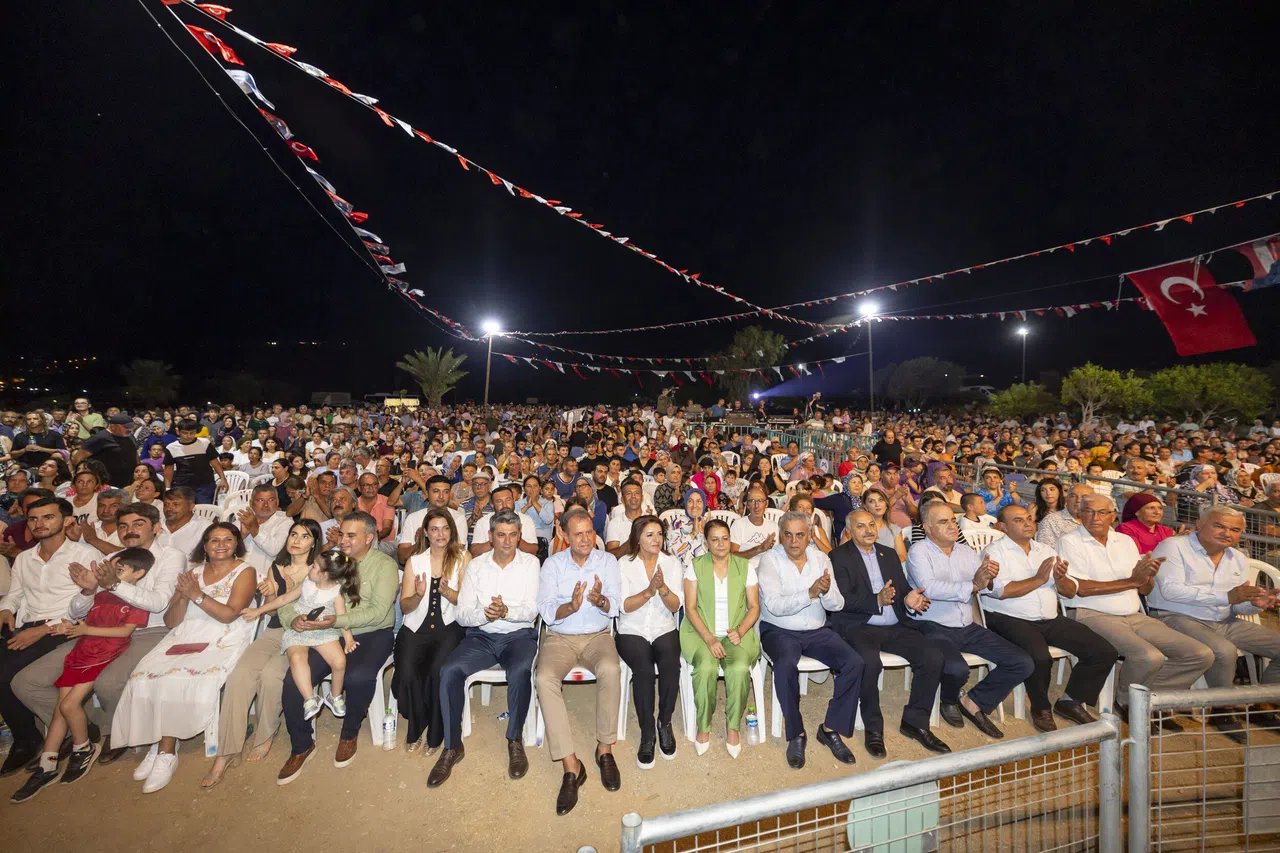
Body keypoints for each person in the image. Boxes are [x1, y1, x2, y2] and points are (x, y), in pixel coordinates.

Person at [110, 523, 256, 792]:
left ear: (237, 543)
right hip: (186, 634)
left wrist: (197, 596)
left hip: (223, 634)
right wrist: (183, 597)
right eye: (214, 540)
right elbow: (171, 621)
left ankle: (167, 751)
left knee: (177, 677)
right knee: (144, 675)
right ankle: (156, 743)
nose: (221, 545)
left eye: (227, 539)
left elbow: (229, 615)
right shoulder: (192, 573)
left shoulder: (245, 571)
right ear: (205, 545)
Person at [10, 548, 155, 802]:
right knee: (60, 709)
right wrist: (71, 625)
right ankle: (48, 762)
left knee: (69, 704)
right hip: (82, 650)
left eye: (118, 570)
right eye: (108, 569)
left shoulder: (136, 599)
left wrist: (87, 629)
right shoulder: (100, 593)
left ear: (138, 573)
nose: (109, 574)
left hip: (101, 654)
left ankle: (83, 748)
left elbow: (124, 633)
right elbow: (78, 616)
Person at [1056, 494, 1214, 726]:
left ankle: (1148, 698)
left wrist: (1147, 576)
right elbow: (1081, 589)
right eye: (1088, 511)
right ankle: (1128, 702)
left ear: (1113, 516)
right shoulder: (1070, 541)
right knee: (1148, 656)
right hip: (1091, 613)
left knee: (1200, 654)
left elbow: (1144, 588)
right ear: (1080, 514)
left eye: (1102, 512)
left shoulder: (1125, 541)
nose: (1095, 517)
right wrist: (1133, 581)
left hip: (1134, 614)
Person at [275, 511, 397, 784]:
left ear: (369, 537)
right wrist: (292, 620)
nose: (343, 540)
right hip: (327, 633)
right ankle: (301, 745)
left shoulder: (384, 565)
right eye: (342, 534)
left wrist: (337, 620)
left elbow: (378, 612)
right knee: (295, 680)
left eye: (350, 536)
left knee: (358, 676)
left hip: (371, 632)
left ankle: (349, 732)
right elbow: (291, 600)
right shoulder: (328, 561)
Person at [980, 505, 1118, 732]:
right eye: (1018, 520)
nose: (1027, 524)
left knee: (1103, 651)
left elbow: (1070, 590)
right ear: (1003, 527)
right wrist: (1039, 578)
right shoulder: (994, 552)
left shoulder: (1045, 550)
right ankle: (1040, 707)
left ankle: (1070, 701)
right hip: (1008, 617)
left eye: (1029, 518)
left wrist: (1060, 579)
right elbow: (1001, 591)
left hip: (1049, 618)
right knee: (1039, 657)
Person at [828, 510, 953, 758]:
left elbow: (903, 587)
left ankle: (915, 722)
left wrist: (910, 598)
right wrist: (876, 599)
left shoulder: (889, 554)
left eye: (871, 524)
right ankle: (874, 729)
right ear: (850, 531)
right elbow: (842, 599)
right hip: (859, 625)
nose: (868, 530)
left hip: (894, 625)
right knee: (869, 663)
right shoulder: (838, 557)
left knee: (933, 657)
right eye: (861, 526)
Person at [206, 520, 321, 787]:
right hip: (273, 631)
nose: (297, 540)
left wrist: (291, 587)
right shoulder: (276, 567)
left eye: (305, 537)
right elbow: (270, 612)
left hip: (303, 636)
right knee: (240, 676)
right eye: (294, 534)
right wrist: (269, 596)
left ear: (313, 542)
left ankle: (265, 734)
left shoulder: (319, 569)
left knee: (271, 676)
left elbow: (316, 608)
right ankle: (226, 751)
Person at [905, 502, 1034, 740]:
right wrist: (973, 584)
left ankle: (973, 701)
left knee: (1022, 662)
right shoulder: (919, 551)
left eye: (953, 520)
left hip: (966, 624)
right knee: (956, 668)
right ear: (927, 527)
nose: (952, 525)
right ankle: (948, 699)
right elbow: (929, 588)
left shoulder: (966, 552)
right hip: (932, 624)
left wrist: (990, 579)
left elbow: (985, 588)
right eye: (943, 522)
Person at [1149, 506, 1280, 738]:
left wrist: (1255, 604)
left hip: (1224, 619)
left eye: (1235, 529)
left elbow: (1237, 605)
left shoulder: (1237, 558)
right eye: (1219, 525)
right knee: (1224, 651)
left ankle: (1265, 704)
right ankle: (1224, 710)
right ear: (1199, 525)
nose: (1227, 533)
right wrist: (1228, 597)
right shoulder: (1173, 546)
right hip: (1176, 616)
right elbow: (1171, 591)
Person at [431, 510, 541, 787]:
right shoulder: (477, 565)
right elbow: (464, 614)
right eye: (501, 535)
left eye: (513, 535)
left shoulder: (531, 564)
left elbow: (532, 610)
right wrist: (486, 615)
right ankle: (452, 745)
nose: (507, 541)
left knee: (520, 671)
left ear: (520, 536)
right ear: (490, 536)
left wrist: (506, 612)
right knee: (449, 670)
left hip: (519, 636)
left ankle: (514, 739)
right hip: (481, 635)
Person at [0, 498, 102, 776]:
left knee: (7, 675)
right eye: (33, 519)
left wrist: (44, 630)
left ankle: (36, 737)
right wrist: (6, 610)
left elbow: (93, 604)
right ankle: (30, 735)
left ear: (65, 520)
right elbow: (15, 595)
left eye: (47, 517)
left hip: (64, 629)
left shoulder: (84, 554)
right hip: (26, 626)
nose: (40, 524)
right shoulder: (24, 558)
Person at [535, 510, 623, 816]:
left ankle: (604, 749)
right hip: (561, 637)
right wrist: (570, 607)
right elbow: (546, 612)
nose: (585, 539)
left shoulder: (607, 562)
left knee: (611, 669)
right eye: (578, 534)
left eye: (589, 533)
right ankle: (571, 765)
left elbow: (616, 605)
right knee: (544, 677)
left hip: (598, 635)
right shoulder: (553, 564)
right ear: (565, 535)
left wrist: (600, 601)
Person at [757, 511, 862, 769]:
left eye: (800, 535)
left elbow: (837, 604)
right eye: (788, 535)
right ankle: (796, 733)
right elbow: (774, 605)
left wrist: (824, 593)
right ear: (781, 536)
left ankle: (830, 728)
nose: (794, 541)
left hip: (816, 629)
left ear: (809, 537)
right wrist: (810, 593)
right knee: (785, 665)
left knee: (855, 663)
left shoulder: (821, 558)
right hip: (779, 629)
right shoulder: (770, 560)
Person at [242, 550, 360, 720]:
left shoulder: (337, 593)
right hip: (298, 631)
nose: (310, 568)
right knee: (297, 659)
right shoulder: (307, 583)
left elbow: (341, 618)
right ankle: (309, 698)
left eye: (313, 566)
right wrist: (258, 611)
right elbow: (283, 600)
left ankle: (335, 696)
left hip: (323, 632)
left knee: (339, 661)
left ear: (323, 575)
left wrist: (348, 640)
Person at [680, 516, 760, 757]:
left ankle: (733, 726)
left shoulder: (745, 567)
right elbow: (690, 608)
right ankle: (704, 726)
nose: (721, 544)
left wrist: (741, 630)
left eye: (725, 538)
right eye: (714, 539)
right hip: (700, 632)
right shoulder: (695, 566)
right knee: (705, 667)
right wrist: (710, 639)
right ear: (706, 543)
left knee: (737, 669)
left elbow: (754, 607)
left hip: (736, 632)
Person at [394, 508, 470, 755]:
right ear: (425, 532)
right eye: (434, 529)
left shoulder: (462, 558)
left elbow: (468, 603)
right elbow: (405, 606)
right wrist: (417, 594)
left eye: (445, 528)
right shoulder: (415, 562)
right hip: (416, 626)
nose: (440, 534)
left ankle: (436, 733)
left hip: (449, 626)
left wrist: (447, 591)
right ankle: (416, 726)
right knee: (407, 673)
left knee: (438, 671)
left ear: (452, 531)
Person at [615, 515, 682, 767]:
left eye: (660, 534)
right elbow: (624, 606)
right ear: (638, 538)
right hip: (632, 629)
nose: (656, 539)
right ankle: (646, 732)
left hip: (663, 626)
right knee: (642, 669)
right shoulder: (624, 564)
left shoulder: (672, 563)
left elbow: (675, 606)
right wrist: (648, 592)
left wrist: (663, 588)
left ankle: (664, 723)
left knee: (670, 665)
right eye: (650, 535)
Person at [234, 483, 293, 579]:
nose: (265, 505)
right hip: (236, 574)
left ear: (277, 502)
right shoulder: (242, 519)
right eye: (260, 500)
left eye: (270, 500)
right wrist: (242, 536)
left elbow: (274, 550)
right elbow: (227, 550)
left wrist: (254, 528)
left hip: (265, 580)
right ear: (251, 503)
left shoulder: (285, 522)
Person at [162, 419, 228, 506]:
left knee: (204, 509)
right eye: (185, 433)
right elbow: (168, 470)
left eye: (192, 433)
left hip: (205, 484)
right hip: (182, 485)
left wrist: (223, 479)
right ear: (178, 432)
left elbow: (215, 463)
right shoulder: (171, 447)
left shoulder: (205, 443)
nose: (189, 436)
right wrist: (167, 488)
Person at [470, 484, 539, 558]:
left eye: (508, 500)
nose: (505, 505)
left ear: (513, 501)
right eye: (499, 501)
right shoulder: (483, 522)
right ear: (492, 505)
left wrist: (516, 537)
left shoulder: (526, 520)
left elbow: (533, 551)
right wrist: (495, 539)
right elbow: (474, 552)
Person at [71, 414, 138, 489]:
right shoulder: (100, 438)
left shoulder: (129, 437)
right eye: (126, 427)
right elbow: (78, 459)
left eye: (131, 427)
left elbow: (134, 455)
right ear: (113, 427)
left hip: (129, 482)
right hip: (108, 484)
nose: (130, 429)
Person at [730, 485, 778, 571]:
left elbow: (777, 556)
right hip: (745, 571)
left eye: (760, 501)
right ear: (747, 505)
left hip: (768, 571)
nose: (756, 506)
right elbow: (733, 556)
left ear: (766, 503)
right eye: (752, 501)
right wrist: (759, 548)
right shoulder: (738, 524)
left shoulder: (773, 526)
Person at [665, 486, 708, 571]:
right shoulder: (677, 523)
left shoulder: (709, 523)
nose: (694, 506)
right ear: (685, 504)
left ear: (704, 504)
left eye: (698, 501)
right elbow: (671, 552)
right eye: (690, 501)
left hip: (706, 571)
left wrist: (704, 534)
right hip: (682, 571)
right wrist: (693, 534)